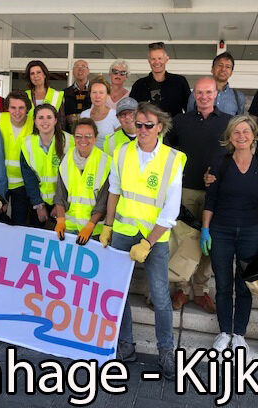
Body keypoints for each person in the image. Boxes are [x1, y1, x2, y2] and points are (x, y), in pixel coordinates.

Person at [100, 102, 186, 380]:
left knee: (160, 296)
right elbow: (114, 191)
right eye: (138, 124)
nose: (143, 130)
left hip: (154, 237)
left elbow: (171, 210)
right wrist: (108, 226)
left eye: (149, 125)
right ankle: (125, 345)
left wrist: (148, 242)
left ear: (160, 127)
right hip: (123, 232)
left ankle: (166, 352)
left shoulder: (173, 159)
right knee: (119, 292)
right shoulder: (122, 152)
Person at [202, 115, 258, 353]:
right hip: (221, 231)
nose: (241, 136)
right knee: (223, 284)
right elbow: (211, 199)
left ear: (254, 135)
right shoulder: (220, 162)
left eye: (246, 131)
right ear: (230, 137)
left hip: (251, 232)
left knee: (244, 286)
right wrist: (205, 229)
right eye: (236, 132)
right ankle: (224, 332)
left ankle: (239, 333)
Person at [166, 77, 232, 314]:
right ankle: (182, 288)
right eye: (200, 92)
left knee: (207, 242)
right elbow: (167, 150)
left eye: (208, 92)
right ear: (194, 95)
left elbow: (235, 154)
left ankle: (201, 290)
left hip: (215, 193)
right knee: (183, 239)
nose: (204, 97)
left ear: (216, 94)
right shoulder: (180, 121)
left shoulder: (228, 122)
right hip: (185, 189)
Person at [54, 118, 111, 245]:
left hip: (94, 230)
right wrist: (61, 220)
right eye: (78, 136)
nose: (83, 140)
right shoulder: (65, 159)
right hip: (69, 227)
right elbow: (60, 195)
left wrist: (90, 226)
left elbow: (103, 201)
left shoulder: (106, 162)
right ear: (74, 138)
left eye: (88, 136)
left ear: (95, 138)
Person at [21, 103, 72, 227]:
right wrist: (38, 205)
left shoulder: (69, 142)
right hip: (38, 201)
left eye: (49, 117)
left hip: (64, 201)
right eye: (40, 117)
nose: (45, 121)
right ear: (35, 121)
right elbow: (29, 178)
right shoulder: (28, 144)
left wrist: (60, 204)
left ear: (55, 120)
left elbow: (72, 177)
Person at [0, 91, 33, 226]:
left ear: (27, 108)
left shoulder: (34, 123)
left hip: (22, 183)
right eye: (13, 107)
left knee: (19, 223)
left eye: (21, 108)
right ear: (7, 108)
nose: (17, 112)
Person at [131, 42, 191, 118]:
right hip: (147, 125)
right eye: (153, 59)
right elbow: (132, 111)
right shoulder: (139, 85)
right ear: (149, 61)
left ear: (166, 59)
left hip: (174, 125)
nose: (157, 62)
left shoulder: (179, 82)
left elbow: (189, 109)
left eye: (160, 58)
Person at [80, 75, 120, 150]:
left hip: (108, 156)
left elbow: (119, 143)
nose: (97, 96)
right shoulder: (84, 115)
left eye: (101, 92)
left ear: (107, 95)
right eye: (94, 92)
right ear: (90, 94)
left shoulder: (115, 115)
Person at [25, 60, 65, 128]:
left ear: (44, 75)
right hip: (29, 134)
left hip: (51, 134)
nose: (35, 76)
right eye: (32, 73)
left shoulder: (56, 95)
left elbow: (61, 121)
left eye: (38, 72)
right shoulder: (25, 95)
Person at [64, 59, 91, 132]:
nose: (80, 69)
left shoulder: (95, 91)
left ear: (88, 71)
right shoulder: (65, 93)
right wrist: (67, 118)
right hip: (70, 132)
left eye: (83, 66)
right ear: (73, 71)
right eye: (77, 67)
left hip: (91, 130)